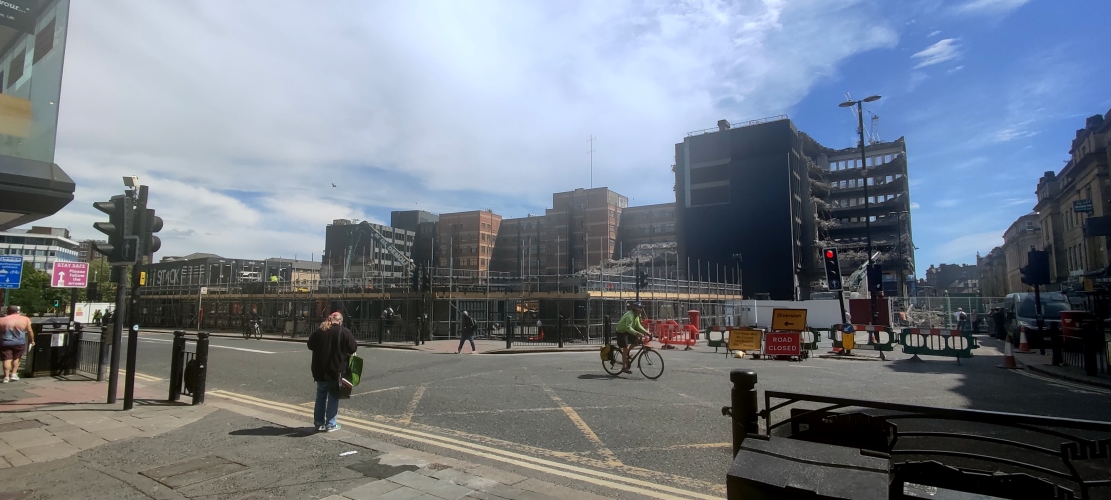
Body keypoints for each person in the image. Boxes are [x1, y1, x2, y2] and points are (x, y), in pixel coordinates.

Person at [307, 312, 357, 432]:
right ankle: (331, 424)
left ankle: (319, 423)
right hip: (336, 370)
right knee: (334, 396)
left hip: (320, 370)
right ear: (340, 321)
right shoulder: (344, 332)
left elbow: (310, 345)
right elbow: (353, 348)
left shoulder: (320, 331)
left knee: (321, 396)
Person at [615, 302, 650, 374]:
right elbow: (628, 328)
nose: (641, 310)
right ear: (635, 309)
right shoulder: (630, 316)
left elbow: (638, 326)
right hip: (621, 331)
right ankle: (624, 367)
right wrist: (637, 333)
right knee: (625, 347)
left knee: (637, 340)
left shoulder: (637, 316)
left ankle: (627, 353)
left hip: (628, 330)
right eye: (640, 308)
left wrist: (647, 333)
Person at [1, 305, 33, 383]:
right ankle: (14, 374)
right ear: (18, 311)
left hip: (5, 342)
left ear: (8, 311)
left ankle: (6, 377)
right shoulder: (25, 319)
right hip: (19, 342)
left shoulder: (2, 320)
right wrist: (32, 340)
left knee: (6, 359)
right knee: (17, 358)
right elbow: (30, 331)